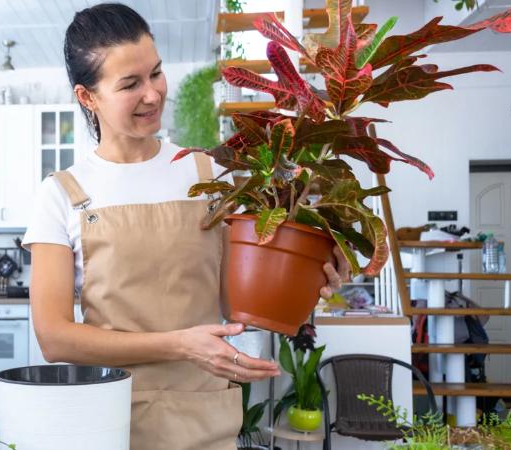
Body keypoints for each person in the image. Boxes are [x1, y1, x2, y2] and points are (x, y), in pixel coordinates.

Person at [22, 4, 350, 449]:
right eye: (130, 84)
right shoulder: (62, 193)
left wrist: (313, 276)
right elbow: (54, 337)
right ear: (87, 97)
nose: (153, 94)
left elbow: (240, 301)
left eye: (156, 73)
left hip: (204, 417)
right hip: (110, 420)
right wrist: (182, 345)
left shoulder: (207, 174)